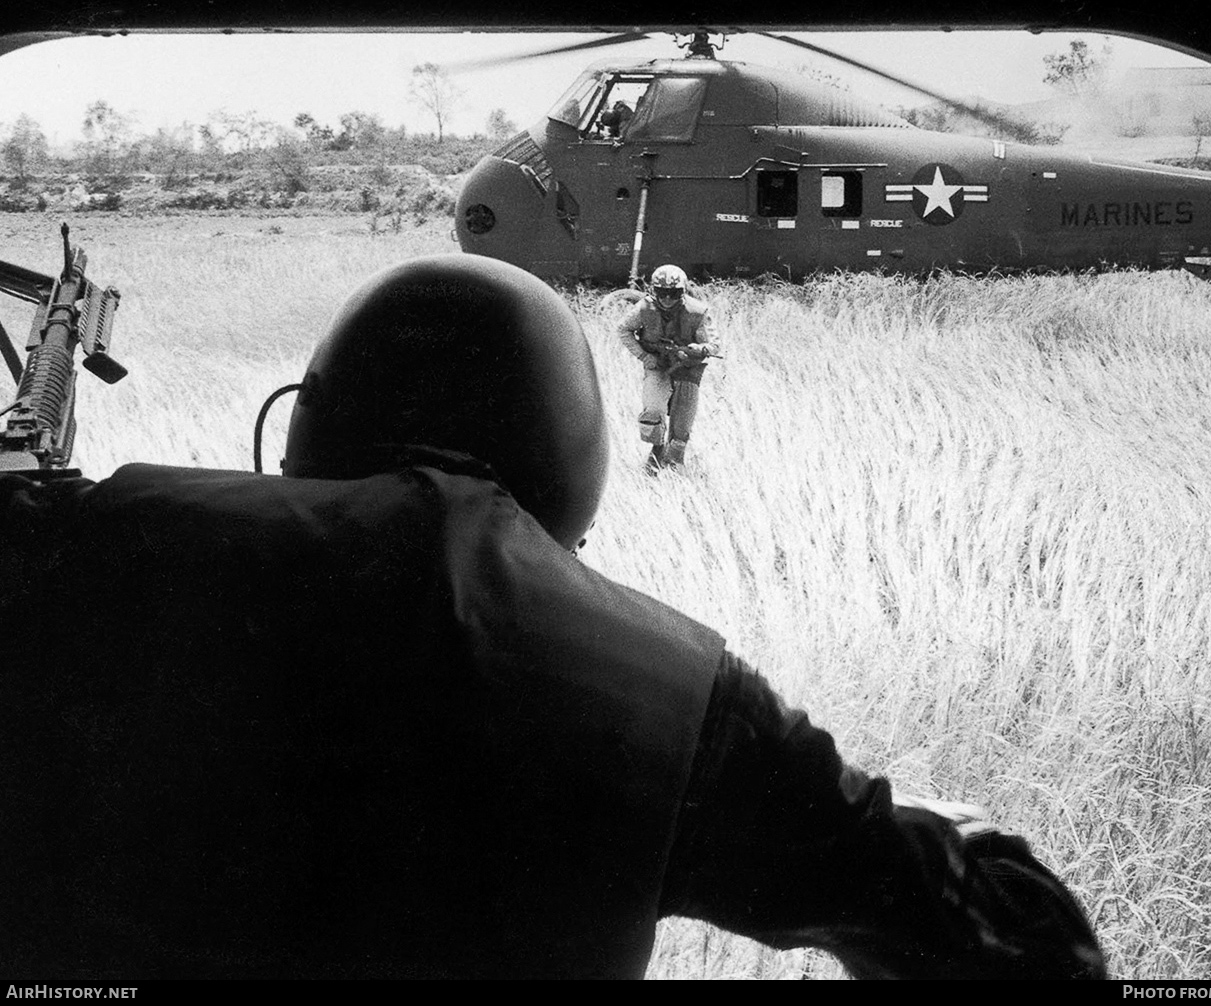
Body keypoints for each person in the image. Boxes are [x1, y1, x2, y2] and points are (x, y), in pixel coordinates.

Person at [0, 254, 1107, 980]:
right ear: (574, 457)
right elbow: (1012, 927)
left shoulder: (70, 545)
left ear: (310, 424)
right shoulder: (680, 700)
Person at [616, 263, 721, 470]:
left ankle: (675, 467)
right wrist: (644, 356)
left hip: (687, 370)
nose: (666, 299)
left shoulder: (697, 312)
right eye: (662, 293)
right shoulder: (644, 308)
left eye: (673, 294)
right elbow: (623, 330)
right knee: (653, 412)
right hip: (658, 367)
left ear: (682, 292)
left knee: (681, 427)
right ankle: (657, 450)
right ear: (654, 291)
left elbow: (715, 344)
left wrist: (700, 349)